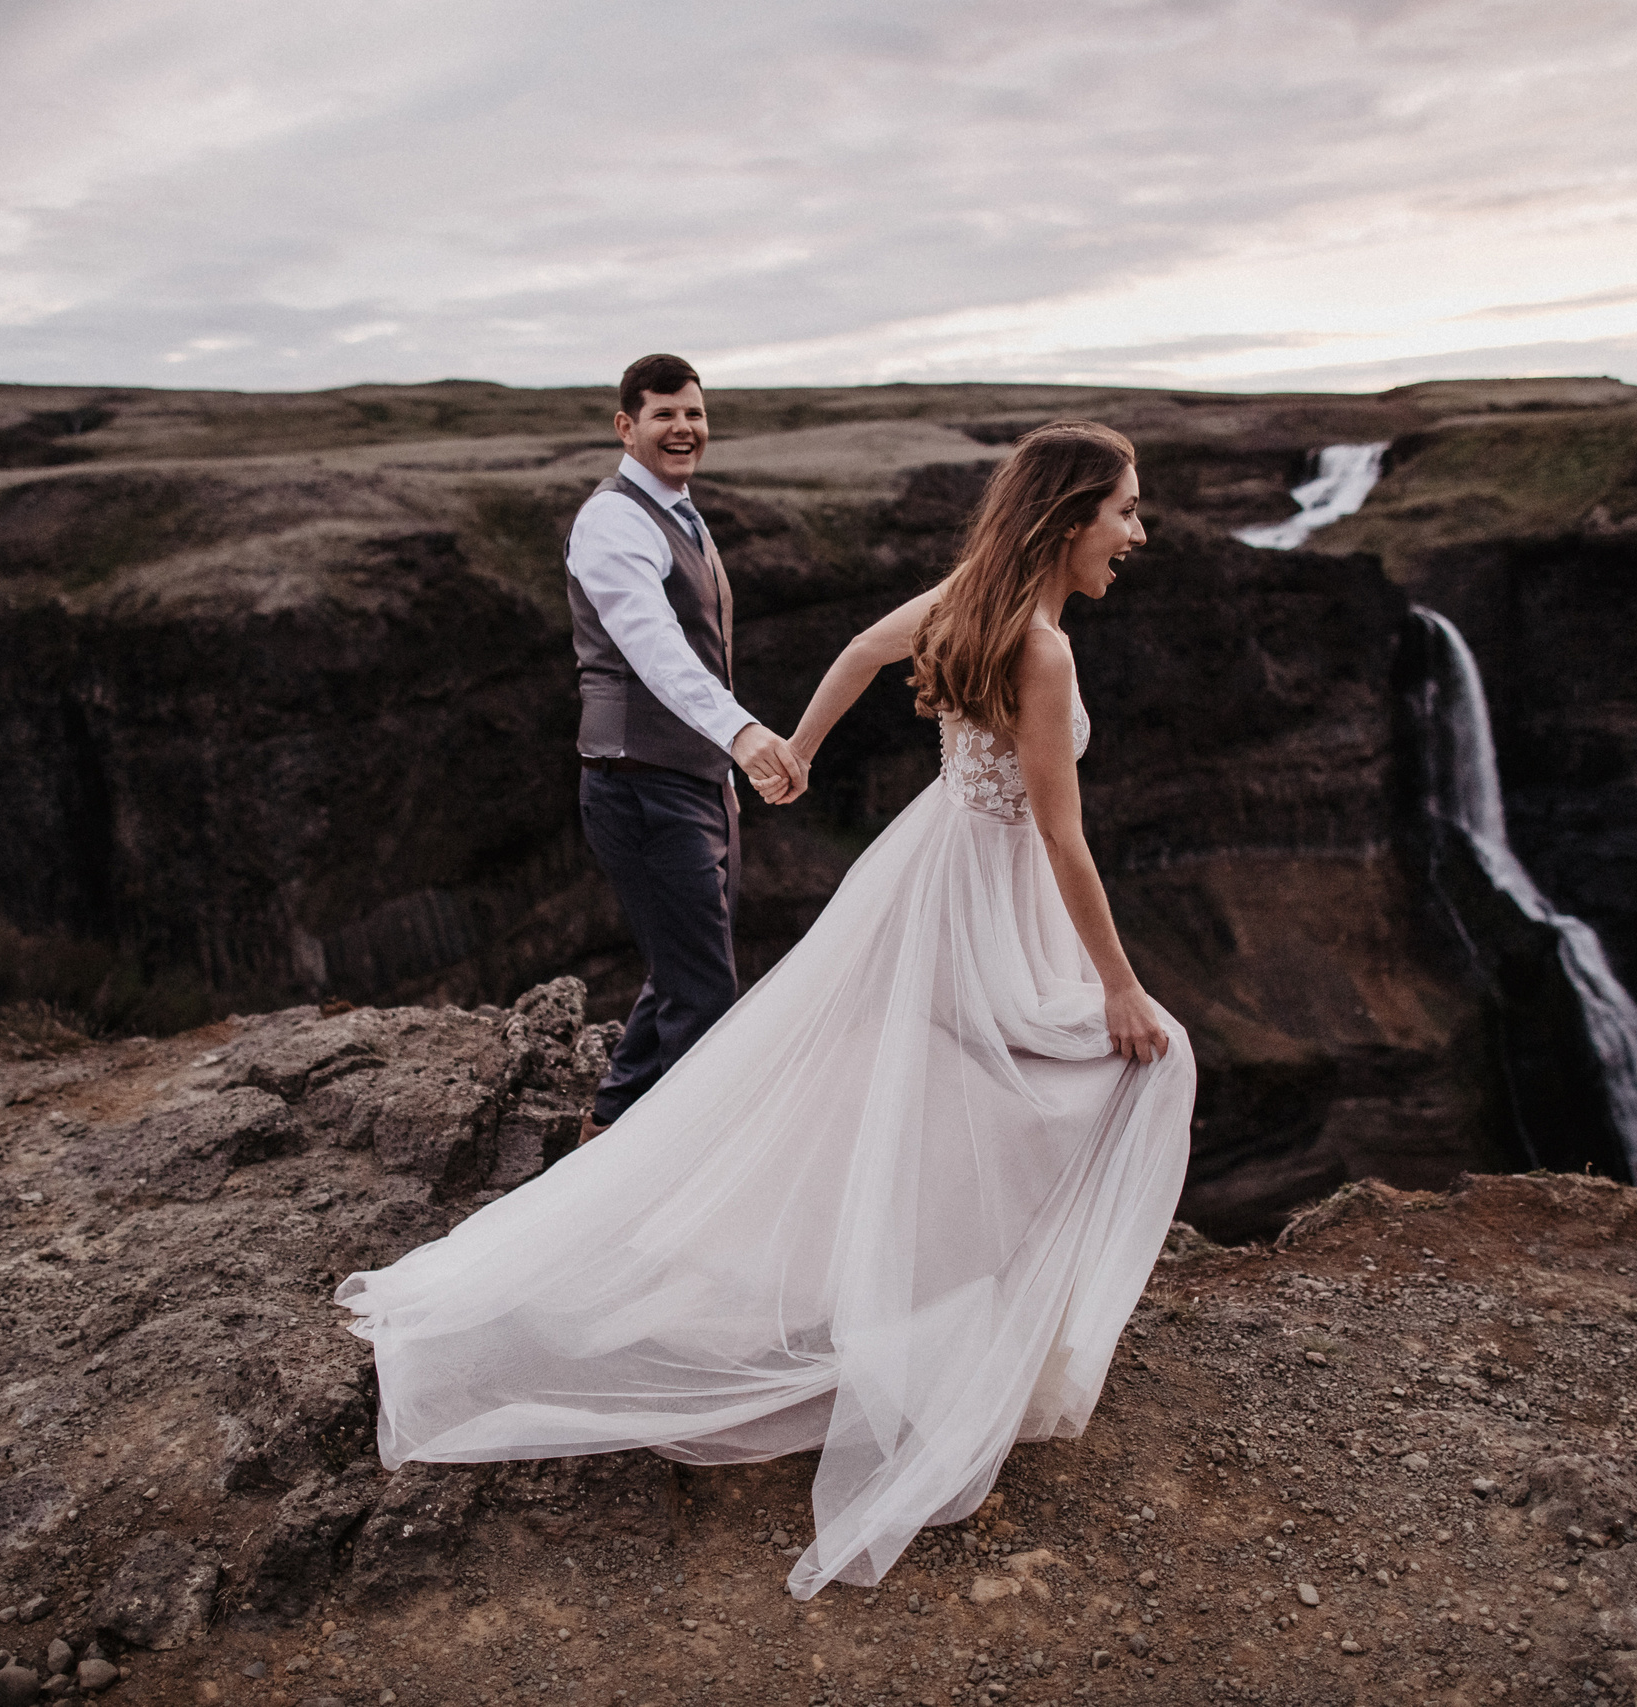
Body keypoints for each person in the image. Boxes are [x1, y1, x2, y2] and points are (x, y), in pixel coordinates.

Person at [336, 421, 1195, 1600]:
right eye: (1127, 511)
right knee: (1134, 1066)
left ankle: (933, 1326)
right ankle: (950, 1352)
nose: (1138, 534)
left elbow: (853, 647)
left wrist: (796, 744)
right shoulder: (1041, 651)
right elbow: (1060, 837)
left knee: (936, 1102)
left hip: (929, 873)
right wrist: (1121, 987)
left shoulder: (970, 598)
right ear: (1067, 518)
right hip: (985, 893)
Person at [563, 353, 809, 1146]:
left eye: (694, 413)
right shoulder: (612, 520)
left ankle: (608, 1122)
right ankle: (686, 1177)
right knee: (703, 992)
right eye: (665, 414)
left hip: (696, 787)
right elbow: (655, 648)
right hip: (640, 788)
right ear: (625, 426)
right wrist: (741, 736)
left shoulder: (680, 512)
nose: (684, 428)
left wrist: (722, 778)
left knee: (683, 969)